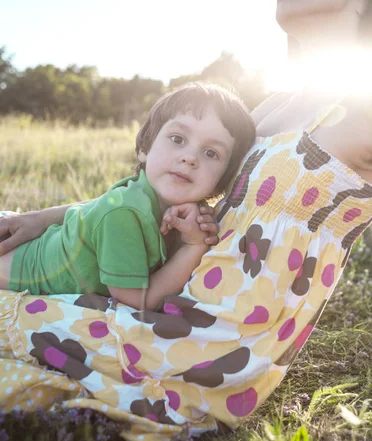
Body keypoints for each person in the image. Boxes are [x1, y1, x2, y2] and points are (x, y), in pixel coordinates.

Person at [0, 0, 372, 441]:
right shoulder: (281, 103)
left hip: (207, 347)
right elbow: (162, 189)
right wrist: (43, 217)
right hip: (162, 300)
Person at [0, 82, 256, 309]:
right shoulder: (125, 212)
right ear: (145, 148)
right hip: (16, 269)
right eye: (178, 138)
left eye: (211, 153)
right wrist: (194, 246)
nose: (189, 157)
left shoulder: (181, 209)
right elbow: (137, 300)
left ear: (221, 183)